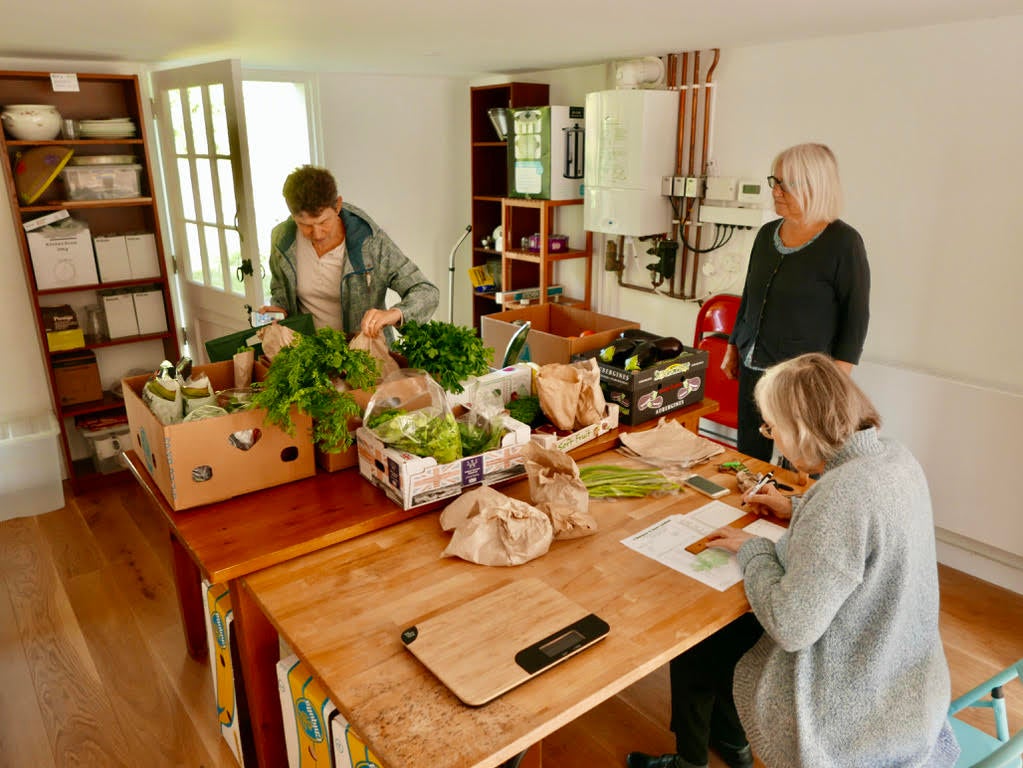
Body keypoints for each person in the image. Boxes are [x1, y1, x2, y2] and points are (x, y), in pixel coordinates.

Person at [627, 353, 958, 768]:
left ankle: (691, 762)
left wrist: (753, 549)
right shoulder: (894, 458)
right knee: (732, 637)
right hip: (908, 679)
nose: (771, 437)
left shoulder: (841, 497)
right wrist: (797, 506)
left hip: (850, 709)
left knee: (696, 648)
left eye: (771, 426)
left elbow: (791, 626)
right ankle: (731, 740)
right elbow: (864, 528)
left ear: (801, 430)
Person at [722, 143, 870, 462]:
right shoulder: (766, 235)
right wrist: (734, 345)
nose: (775, 191)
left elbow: (855, 317)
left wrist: (836, 379)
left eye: (785, 183)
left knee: (799, 459)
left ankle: (791, 509)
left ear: (814, 185)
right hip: (753, 362)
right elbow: (750, 295)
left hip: (801, 378)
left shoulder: (843, 243)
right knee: (750, 452)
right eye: (774, 181)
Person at [263, 165, 439, 338]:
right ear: (292, 215)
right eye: (305, 225)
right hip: (307, 356)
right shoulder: (281, 240)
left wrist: (392, 314)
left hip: (365, 356)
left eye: (324, 222)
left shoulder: (371, 242)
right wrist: (277, 310)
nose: (316, 234)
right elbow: (280, 291)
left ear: (338, 205)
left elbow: (426, 291)